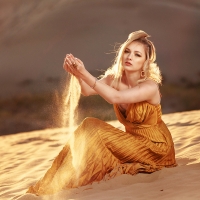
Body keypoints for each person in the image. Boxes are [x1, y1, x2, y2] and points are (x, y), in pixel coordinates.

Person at [27, 30, 176, 196]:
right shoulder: (114, 79)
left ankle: (60, 185)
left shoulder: (149, 87)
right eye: (127, 51)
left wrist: (84, 73)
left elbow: (115, 97)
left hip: (156, 147)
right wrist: (76, 73)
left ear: (145, 62)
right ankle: (50, 183)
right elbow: (86, 90)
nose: (130, 57)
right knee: (85, 129)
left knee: (92, 126)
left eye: (137, 55)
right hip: (132, 142)